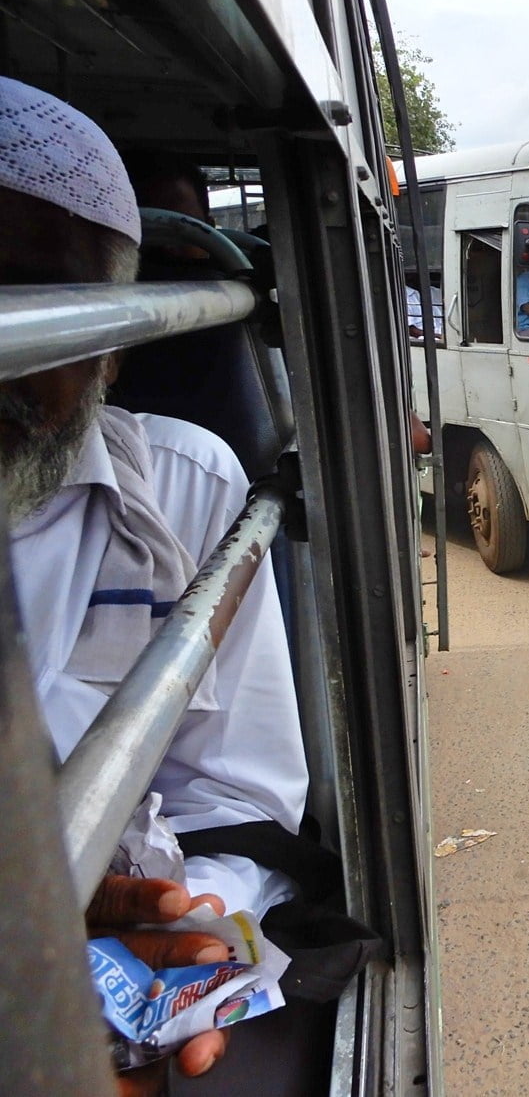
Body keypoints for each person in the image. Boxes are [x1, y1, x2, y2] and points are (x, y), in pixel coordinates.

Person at [0, 77, 307, 1093]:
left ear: (116, 340)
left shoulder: (186, 486)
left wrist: (163, 939)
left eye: (35, 297)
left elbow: (235, 791)